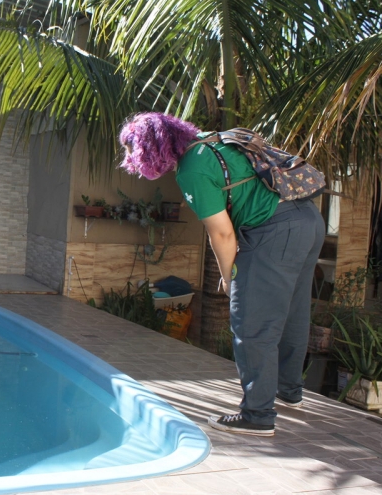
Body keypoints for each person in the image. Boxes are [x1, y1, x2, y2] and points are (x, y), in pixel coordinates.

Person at [118, 112, 325, 437]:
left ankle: (257, 415)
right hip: (308, 221)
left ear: (152, 148)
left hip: (274, 231)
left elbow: (222, 234)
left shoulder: (192, 169)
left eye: (133, 151)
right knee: (294, 313)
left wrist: (231, 279)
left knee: (252, 323)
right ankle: (288, 392)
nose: (131, 159)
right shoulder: (212, 140)